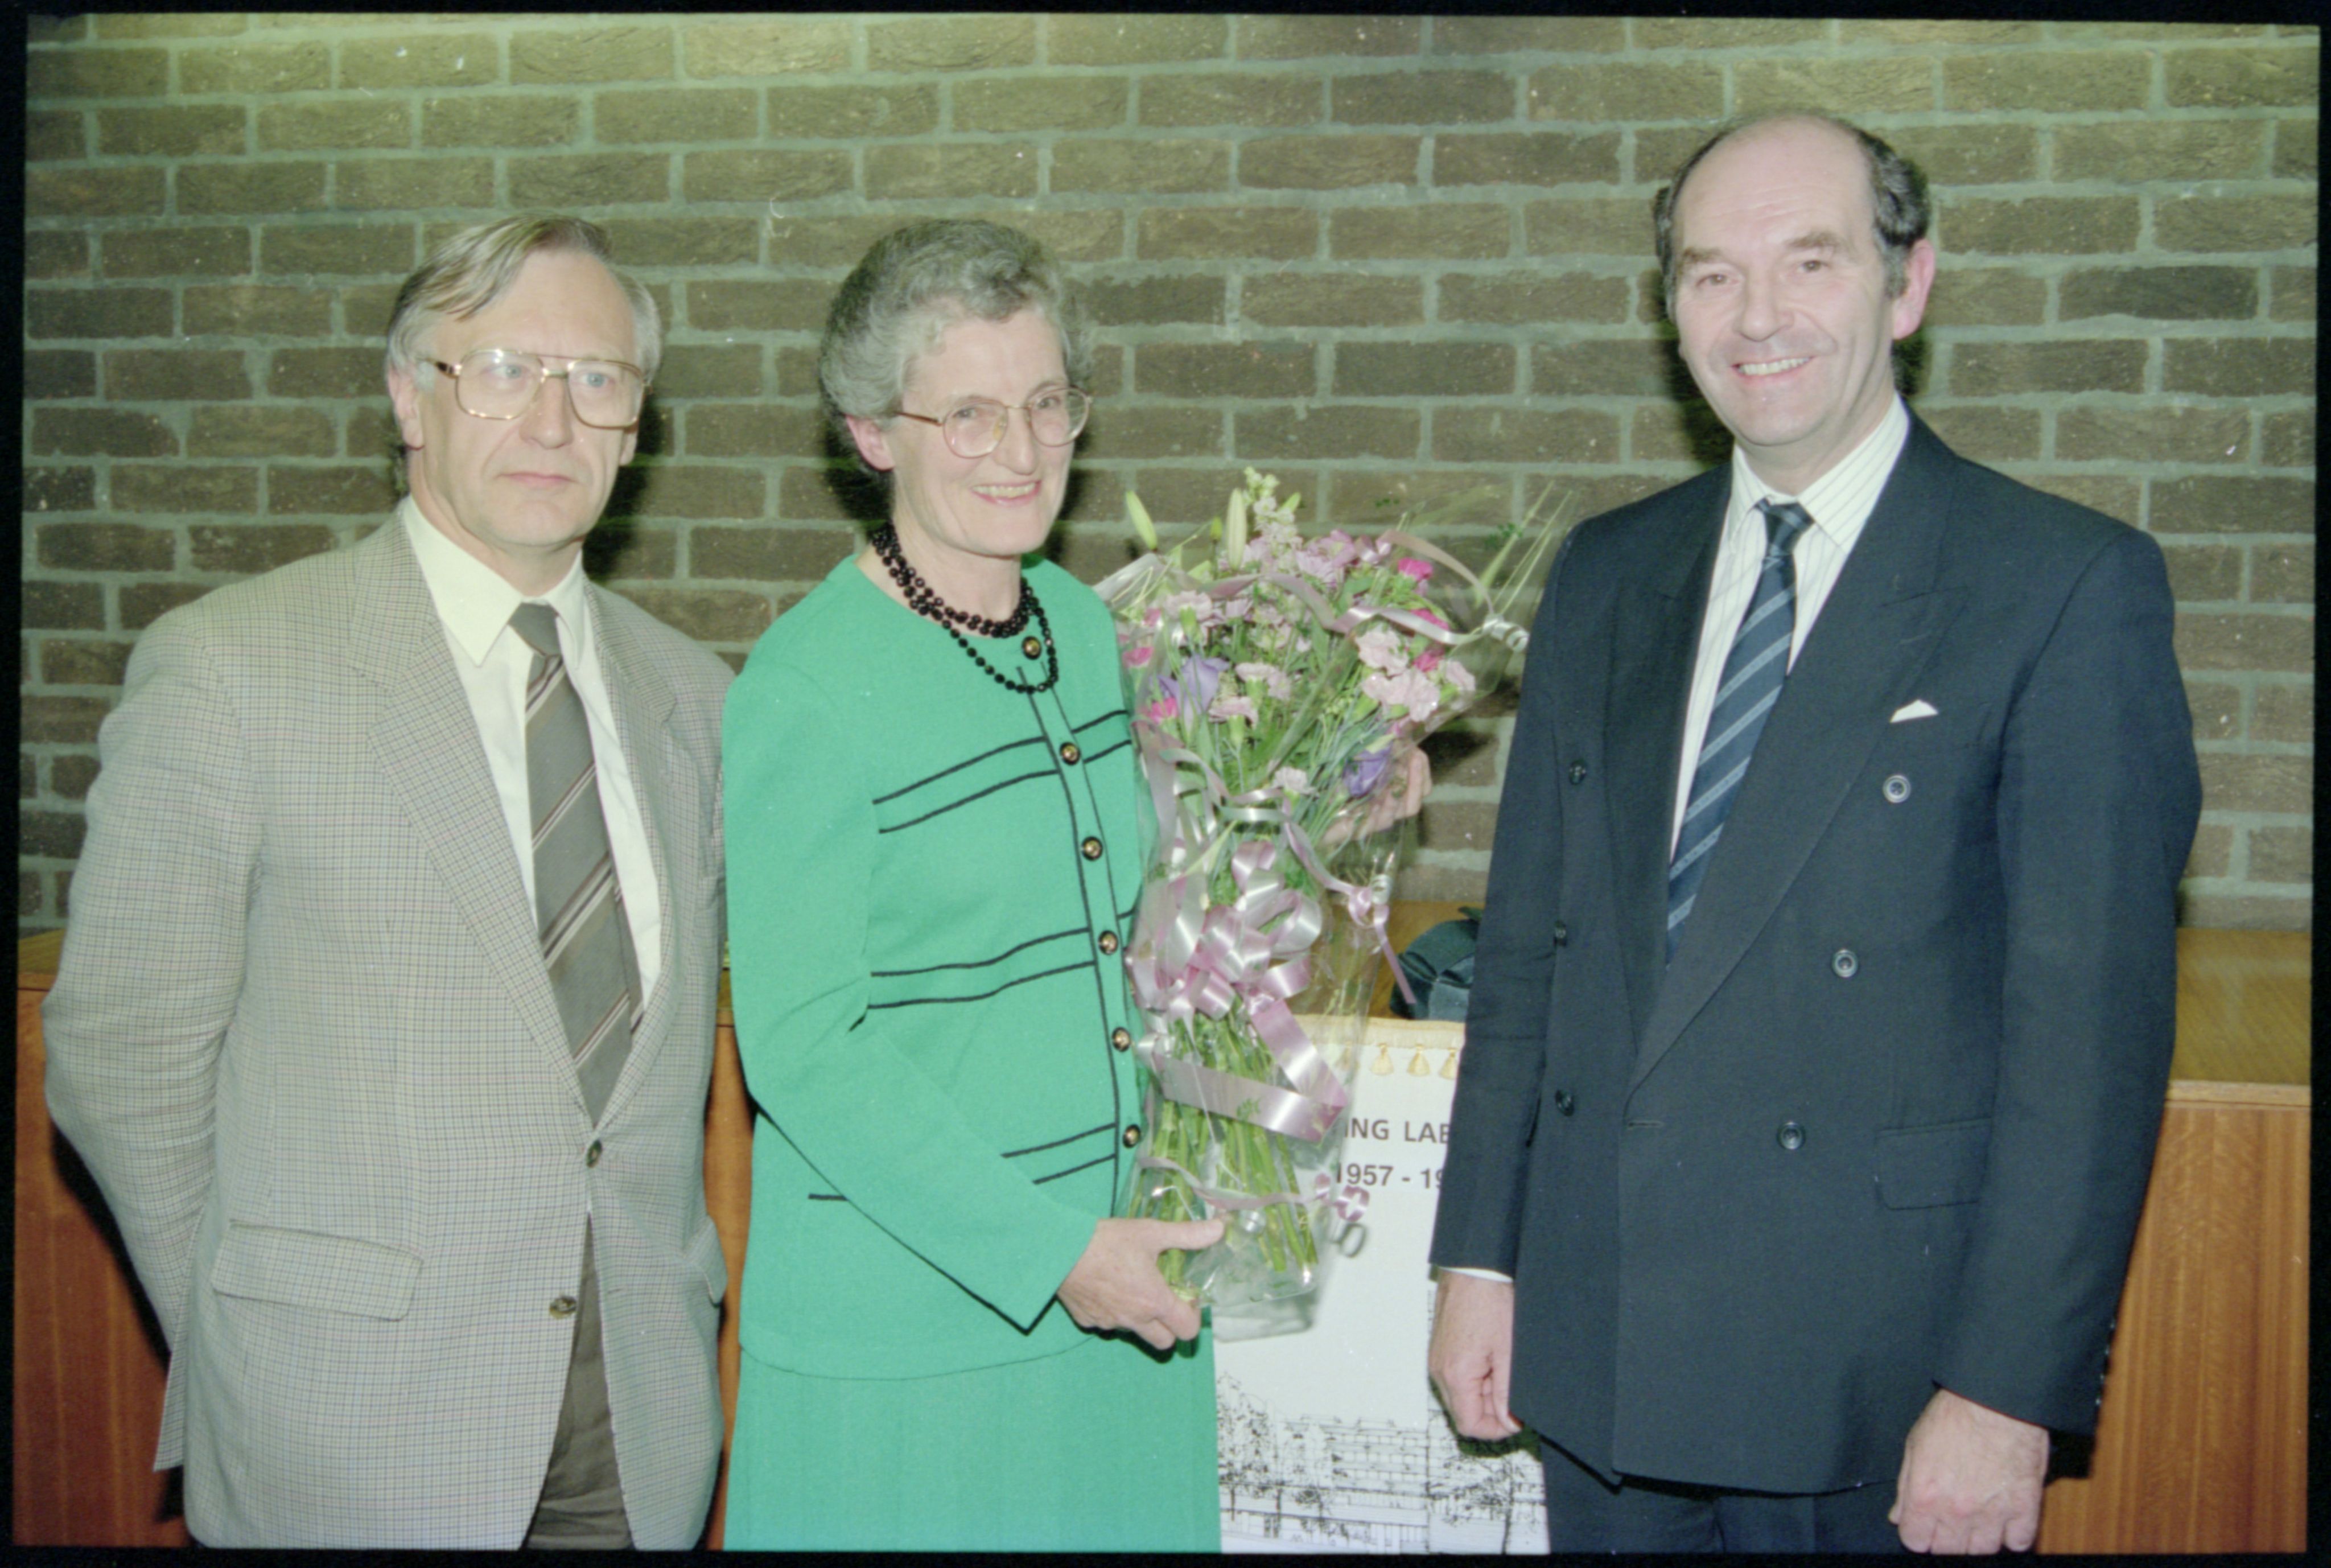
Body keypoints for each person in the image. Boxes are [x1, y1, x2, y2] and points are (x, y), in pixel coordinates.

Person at [1427, 113, 2201, 1554]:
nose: (1757, 316)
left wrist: (2001, 1391)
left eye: (1809, 262)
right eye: (1710, 275)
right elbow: (1531, 953)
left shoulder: (2058, 584)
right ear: (1670, 314)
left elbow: (2084, 1045)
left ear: (1907, 286)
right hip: (1601, 1349)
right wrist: (1480, 1253)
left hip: (1879, 1380)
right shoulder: (1606, 571)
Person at [43, 215, 734, 1549]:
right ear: (409, 397)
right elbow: (121, 1050)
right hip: (342, 1431)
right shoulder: (235, 668)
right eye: (501, 370)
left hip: (638, 1432)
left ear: (635, 426)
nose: (552, 419)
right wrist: (254, 1328)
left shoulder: (691, 701)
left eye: (596, 380)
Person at [718, 219, 1234, 1551]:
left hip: (1118, 1312)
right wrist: (1052, 1251)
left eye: (1047, 402)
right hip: (917, 1341)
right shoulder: (804, 686)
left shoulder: (1086, 623)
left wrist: (1336, 791)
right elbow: (804, 1047)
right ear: (871, 432)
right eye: (969, 413)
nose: (1022, 450)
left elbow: (1160, 883)